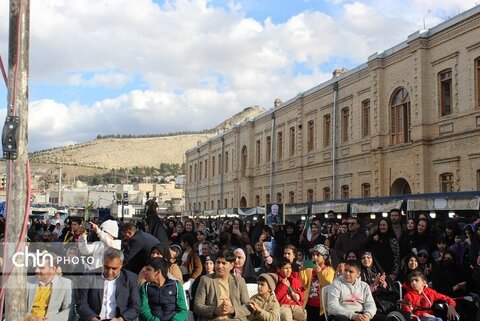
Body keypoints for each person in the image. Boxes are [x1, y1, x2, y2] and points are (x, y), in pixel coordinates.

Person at [76, 248, 140, 321]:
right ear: (102, 262)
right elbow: (81, 303)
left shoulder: (131, 279)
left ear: (121, 265)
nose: (109, 272)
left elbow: (135, 306)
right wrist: (93, 318)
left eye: (114, 269)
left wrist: (120, 319)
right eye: (107, 267)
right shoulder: (89, 276)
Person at [194, 249, 251, 321]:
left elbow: (247, 307)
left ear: (232, 265)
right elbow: (197, 306)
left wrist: (232, 310)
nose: (219, 266)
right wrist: (215, 310)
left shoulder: (239, 281)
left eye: (223, 263)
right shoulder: (206, 280)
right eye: (218, 262)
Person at [327, 259, 392, 321]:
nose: (347, 273)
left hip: (361, 314)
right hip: (344, 314)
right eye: (346, 270)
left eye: (351, 271)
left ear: (358, 274)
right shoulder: (336, 283)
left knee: (386, 319)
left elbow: (370, 304)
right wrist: (353, 316)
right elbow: (332, 306)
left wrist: (367, 315)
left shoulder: (364, 286)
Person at [25, 252, 73, 321]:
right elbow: (16, 307)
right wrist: (30, 317)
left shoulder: (66, 284)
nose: (36, 270)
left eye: (41, 268)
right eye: (36, 266)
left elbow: (68, 310)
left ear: (53, 269)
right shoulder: (26, 282)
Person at [300, 244, 335, 321]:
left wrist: (319, 273)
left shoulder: (330, 270)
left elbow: (327, 285)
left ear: (324, 257)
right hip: (309, 304)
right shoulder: (309, 269)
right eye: (313, 255)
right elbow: (305, 285)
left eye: (318, 255)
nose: (315, 257)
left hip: (322, 306)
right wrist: (302, 270)